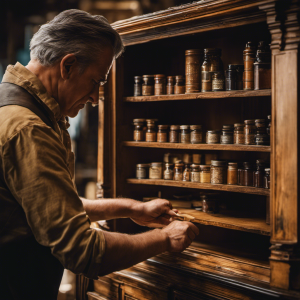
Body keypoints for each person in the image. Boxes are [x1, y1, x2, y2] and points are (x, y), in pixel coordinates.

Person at [0, 9, 199, 299]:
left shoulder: (12, 104)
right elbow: (81, 251)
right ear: (67, 66)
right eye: (96, 81)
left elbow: (47, 208)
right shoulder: (29, 128)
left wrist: (132, 209)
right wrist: (165, 238)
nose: (95, 98)